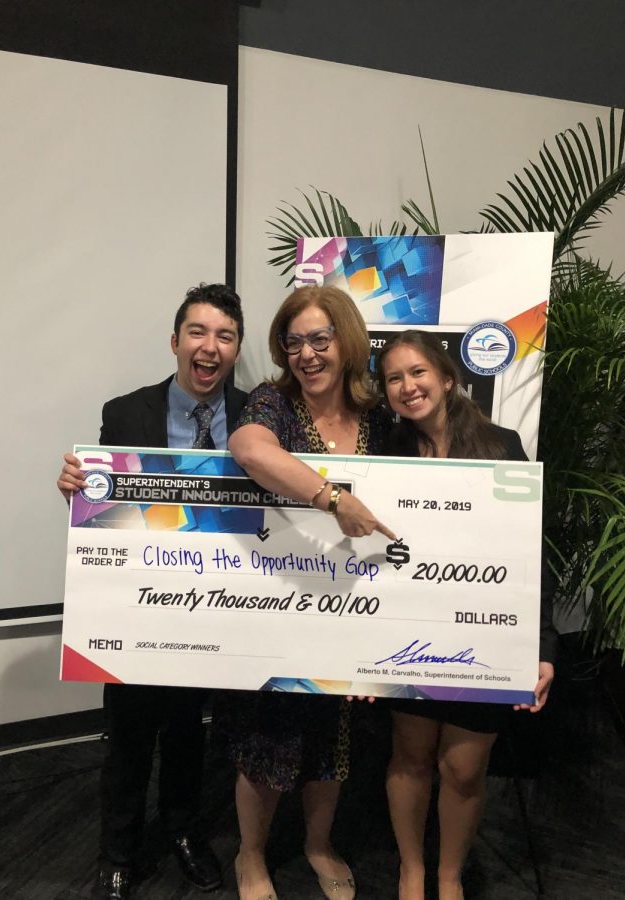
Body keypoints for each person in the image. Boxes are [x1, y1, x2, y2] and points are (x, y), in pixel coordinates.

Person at [57, 283, 247, 900]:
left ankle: (185, 832)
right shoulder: (126, 413)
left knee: (193, 728)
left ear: (236, 348)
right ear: (175, 341)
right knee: (131, 733)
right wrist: (77, 489)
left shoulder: (256, 417)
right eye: (198, 332)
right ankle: (117, 852)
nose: (210, 347)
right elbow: (104, 503)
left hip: (217, 606)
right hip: (138, 608)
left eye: (224, 335)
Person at [226, 285, 395, 900]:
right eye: (293, 342)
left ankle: (318, 844)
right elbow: (247, 449)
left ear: (346, 341)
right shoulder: (272, 401)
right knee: (265, 735)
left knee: (334, 737)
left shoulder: (378, 417)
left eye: (319, 339)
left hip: (354, 605)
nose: (307, 353)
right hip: (278, 600)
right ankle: (250, 856)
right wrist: (333, 497)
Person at [376, 330, 556, 900]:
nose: (408, 387)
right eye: (394, 378)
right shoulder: (386, 455)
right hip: (407, 635)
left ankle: (449, 875)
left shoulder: (502, 448)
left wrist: (543, 648)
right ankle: (412, 870)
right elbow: (361, 557)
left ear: (448, 378)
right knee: (410, 758)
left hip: (484, 639)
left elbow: (532, 554)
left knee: (463, 770)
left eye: (419, 373)